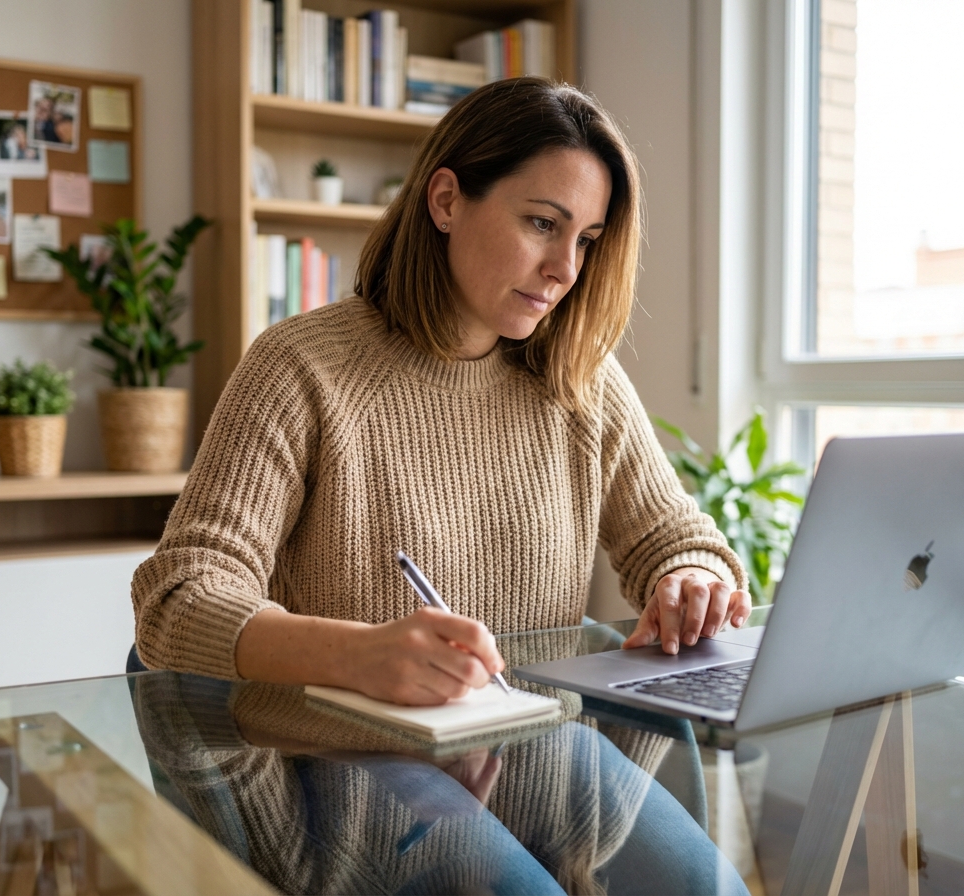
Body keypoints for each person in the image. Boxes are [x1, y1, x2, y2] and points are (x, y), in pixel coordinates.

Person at [132, 78, 752, 893]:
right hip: (357, 796)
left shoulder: (578, 380)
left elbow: (677, 537)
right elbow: (178, 597)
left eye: (589, 239)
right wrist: (359, 657)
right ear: (448, 200)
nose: (565, 268)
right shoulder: (300, 368)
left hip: (552, 781)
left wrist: (691, 578)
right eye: (542, 223)